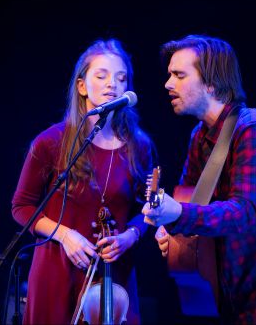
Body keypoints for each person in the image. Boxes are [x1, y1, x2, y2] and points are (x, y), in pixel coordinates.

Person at [142, 34, 256, 324]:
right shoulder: (199, 136)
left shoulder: (255, 128)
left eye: (179, 75)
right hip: (233, 302)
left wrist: (178, 214)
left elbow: (242, 214)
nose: (168, 84)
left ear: (212, 82)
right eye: (169, 74)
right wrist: (169, 232)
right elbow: (190, 203)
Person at [12, 38, 155, 324]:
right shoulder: (51, 142)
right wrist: (65, 234)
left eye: (120, 77)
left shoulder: (139, 146)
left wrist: (130, 236)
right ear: (81, 86)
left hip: (113, 281)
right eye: (101, 76)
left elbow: (148, 209)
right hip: (57, 270)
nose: (111, 84)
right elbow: (22, 207)